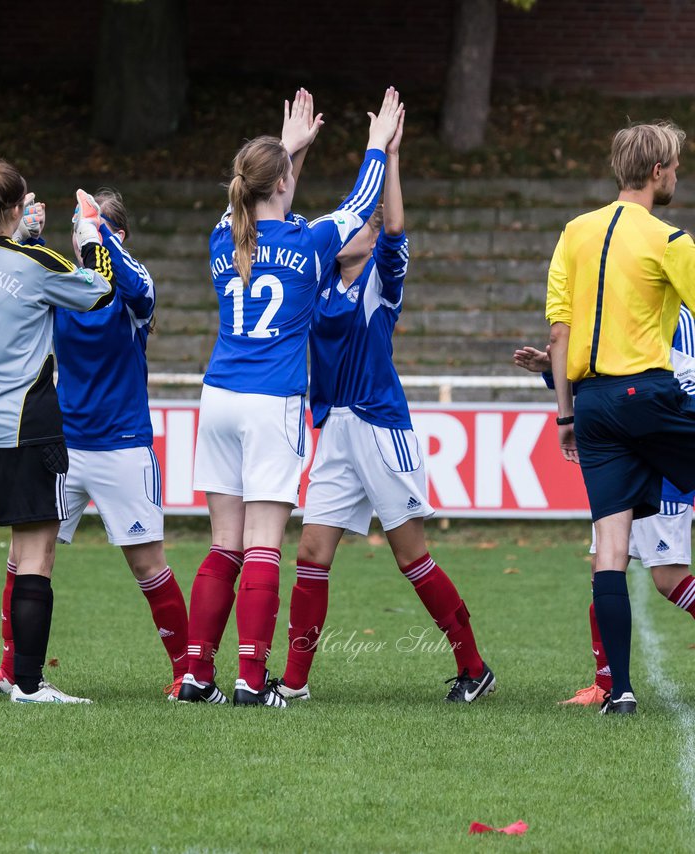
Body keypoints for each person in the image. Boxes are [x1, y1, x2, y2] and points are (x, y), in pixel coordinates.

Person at [178, 88, 402, 708]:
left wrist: (291, 151)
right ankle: (251, 679)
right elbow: (360, 207)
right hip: (271, 400)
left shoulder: (224, 237)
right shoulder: (306, 245)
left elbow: (263, 209)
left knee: (223, 542)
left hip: (218, 395)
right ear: (279, 183)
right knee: (262, 546)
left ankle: (198, 674)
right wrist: (376, 145)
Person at [277, 108, 495, 704]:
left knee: (411, 556)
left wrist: (391, 156)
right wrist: (293, 150)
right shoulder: (317, 279)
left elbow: (395, 228)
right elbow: (280, 218)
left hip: (379, 426)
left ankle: (473, 666)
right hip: (335, 430)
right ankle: (294, 685)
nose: (359, 227)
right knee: (311, 553)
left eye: (364, 225)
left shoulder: (379, 279)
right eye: (353, 224)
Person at [0, 189, 190, 701]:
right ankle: (13, 670)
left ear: (118, 236)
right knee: (24, 557)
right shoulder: (64, 284)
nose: (80, 234)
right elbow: (2, 291)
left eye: (94, 225)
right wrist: (21, 239)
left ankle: (188, 669)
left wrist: (100, 239)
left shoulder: (133, 291)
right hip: (62, 445)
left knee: (146, 562)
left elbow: (136, 288)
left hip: (123, 445)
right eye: (78, 225)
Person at [0, 160, 117, 704]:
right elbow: (98, 291)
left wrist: (18, 235)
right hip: (25, 431)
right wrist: (88, 237)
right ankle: (29, 685)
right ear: (14, 207)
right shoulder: (36, 263)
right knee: (34, 560)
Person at [545, 120, 695, 714]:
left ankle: (621, 692)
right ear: (658, 172)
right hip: (649, 396)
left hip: (593, 405)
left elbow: (560, 333)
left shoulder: (574, 232)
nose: (678, 174)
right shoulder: (669, 240)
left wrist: (565, 417)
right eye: (676, 166)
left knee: (610, 546)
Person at [513, 305, 695, 705]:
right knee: (603, 570)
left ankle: (612, 686)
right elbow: (609, 380)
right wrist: (552, 369)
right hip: (622, 458)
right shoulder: (622, 303)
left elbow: (674, 390)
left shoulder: (676, 317)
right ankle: (606, 684)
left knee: (668, 580)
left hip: (659, 468)